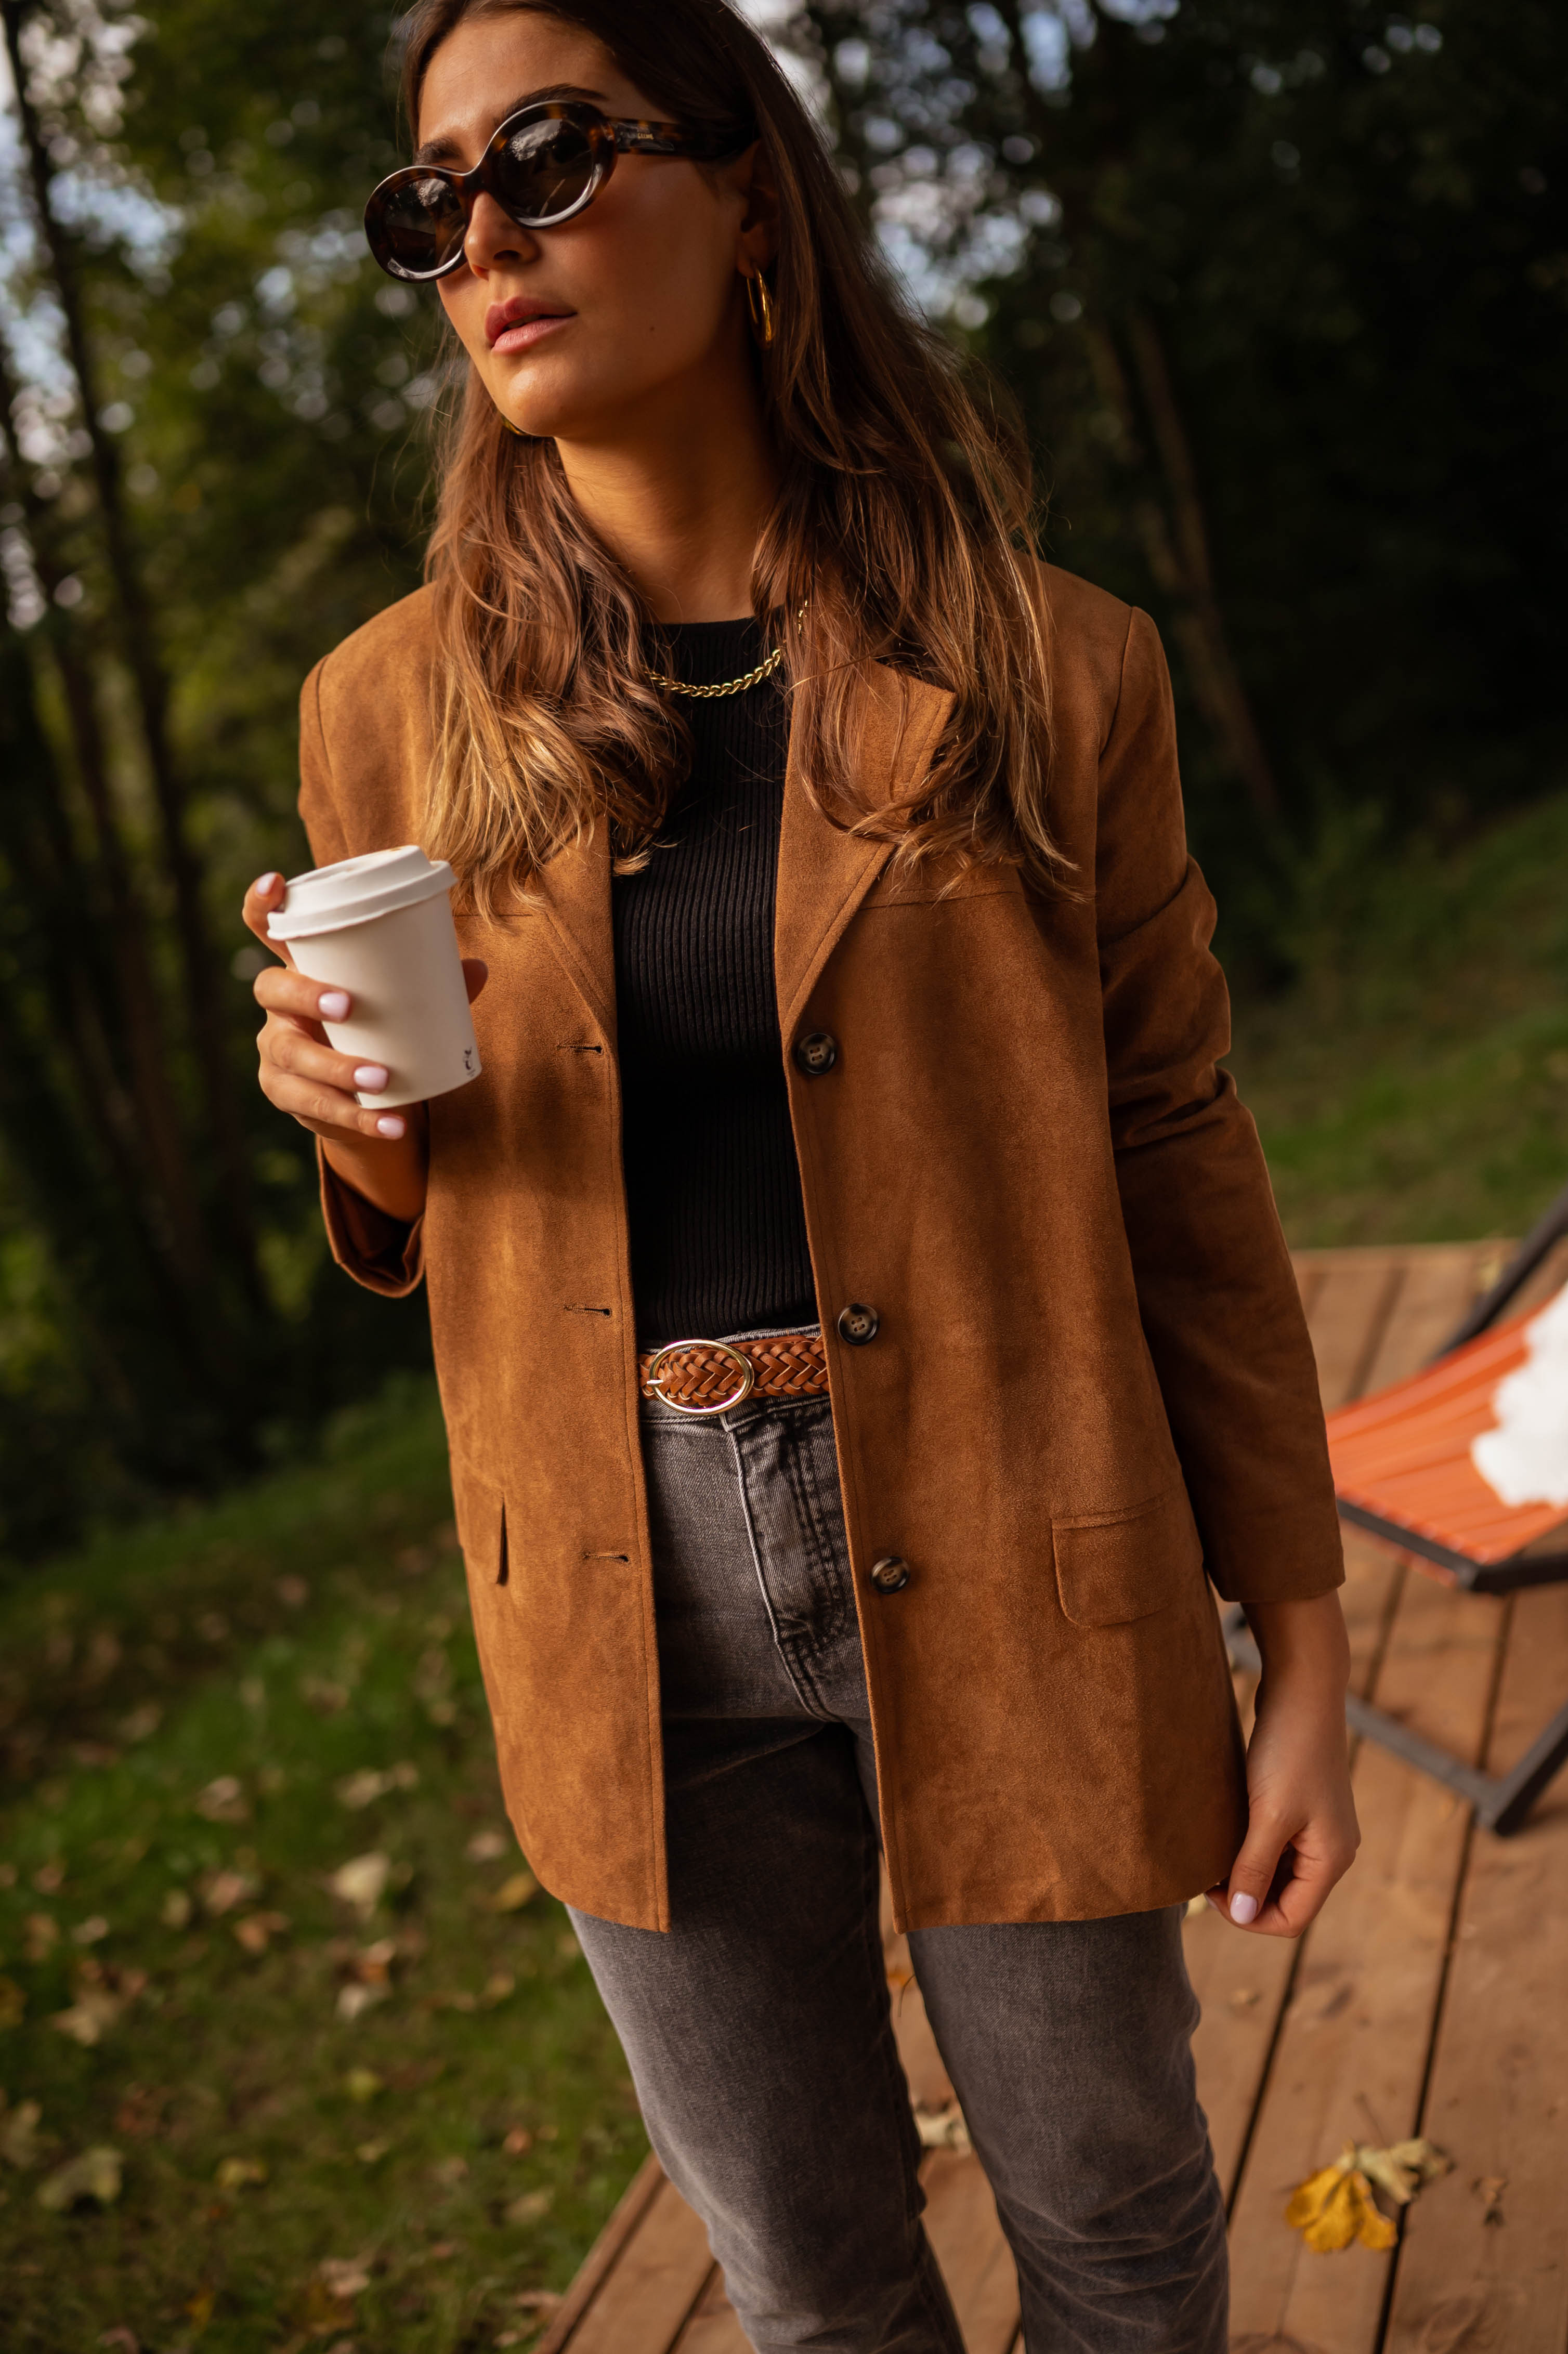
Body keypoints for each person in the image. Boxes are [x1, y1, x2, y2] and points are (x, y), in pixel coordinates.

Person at [243, 3, 1359, 2346]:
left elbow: (1179, 1149)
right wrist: (348, 1129)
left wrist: (1308, 1640)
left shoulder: (1049, 670)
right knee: (812, 2282)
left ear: (748, 191)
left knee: (1123, 2237)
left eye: (544, 155)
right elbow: (428, 1184)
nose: (484, 237)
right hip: (620, 1602)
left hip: (1030, 1540)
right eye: (430, 203)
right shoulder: (385, 713)